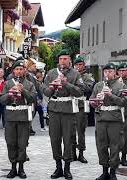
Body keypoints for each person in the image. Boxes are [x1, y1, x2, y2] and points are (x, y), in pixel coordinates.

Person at [43, 49, 85, 180]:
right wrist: (52, 88)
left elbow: (80, 92)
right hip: (54, 110)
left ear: (70, 60)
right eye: (61, 59)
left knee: (68, 139)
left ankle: (67, 168)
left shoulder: (75, 74)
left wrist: (66, 84)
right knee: (54, 139)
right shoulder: (51, 73)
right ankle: (58, 167)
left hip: (68, 110)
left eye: (65, 59)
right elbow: (45, 91)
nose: (63, 61)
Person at [89, 63, 127, 180]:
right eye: (106, 72)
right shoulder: (98, 85)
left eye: (110, 71)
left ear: (114, 72)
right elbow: (91, 100)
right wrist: (95, 101)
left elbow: (124, 102)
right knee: (101, 145)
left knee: (115, 146)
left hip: (114, 119)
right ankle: (104, 171)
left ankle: (113, 172)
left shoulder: (121, 85)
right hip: (101, 119)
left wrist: (110, 95)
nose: (108, 74)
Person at [0, 60, 36, 179]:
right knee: (11, 142)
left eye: (21, 69)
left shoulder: (29, 84)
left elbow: (33, 99)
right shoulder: (8, 83)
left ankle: (21, 168)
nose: (19, 71)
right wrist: (10, 93)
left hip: (23, 118)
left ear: (24, 70)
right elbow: (1, 100)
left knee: (22, 143)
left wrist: (23, 90)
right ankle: (13, 167)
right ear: (13, 71)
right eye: (17, 69)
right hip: (10, 117)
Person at [71, 56, 95, 163]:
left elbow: (88, 88)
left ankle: (81, 153)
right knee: (70, 131)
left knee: (81, 131)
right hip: (70, 105)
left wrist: (76, 82)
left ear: (83, 65)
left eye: (80, 64)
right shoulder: (70, 75)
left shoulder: (88, 76)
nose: (78, 67)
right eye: (76, 65)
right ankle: (72, 153)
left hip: (81, 105)